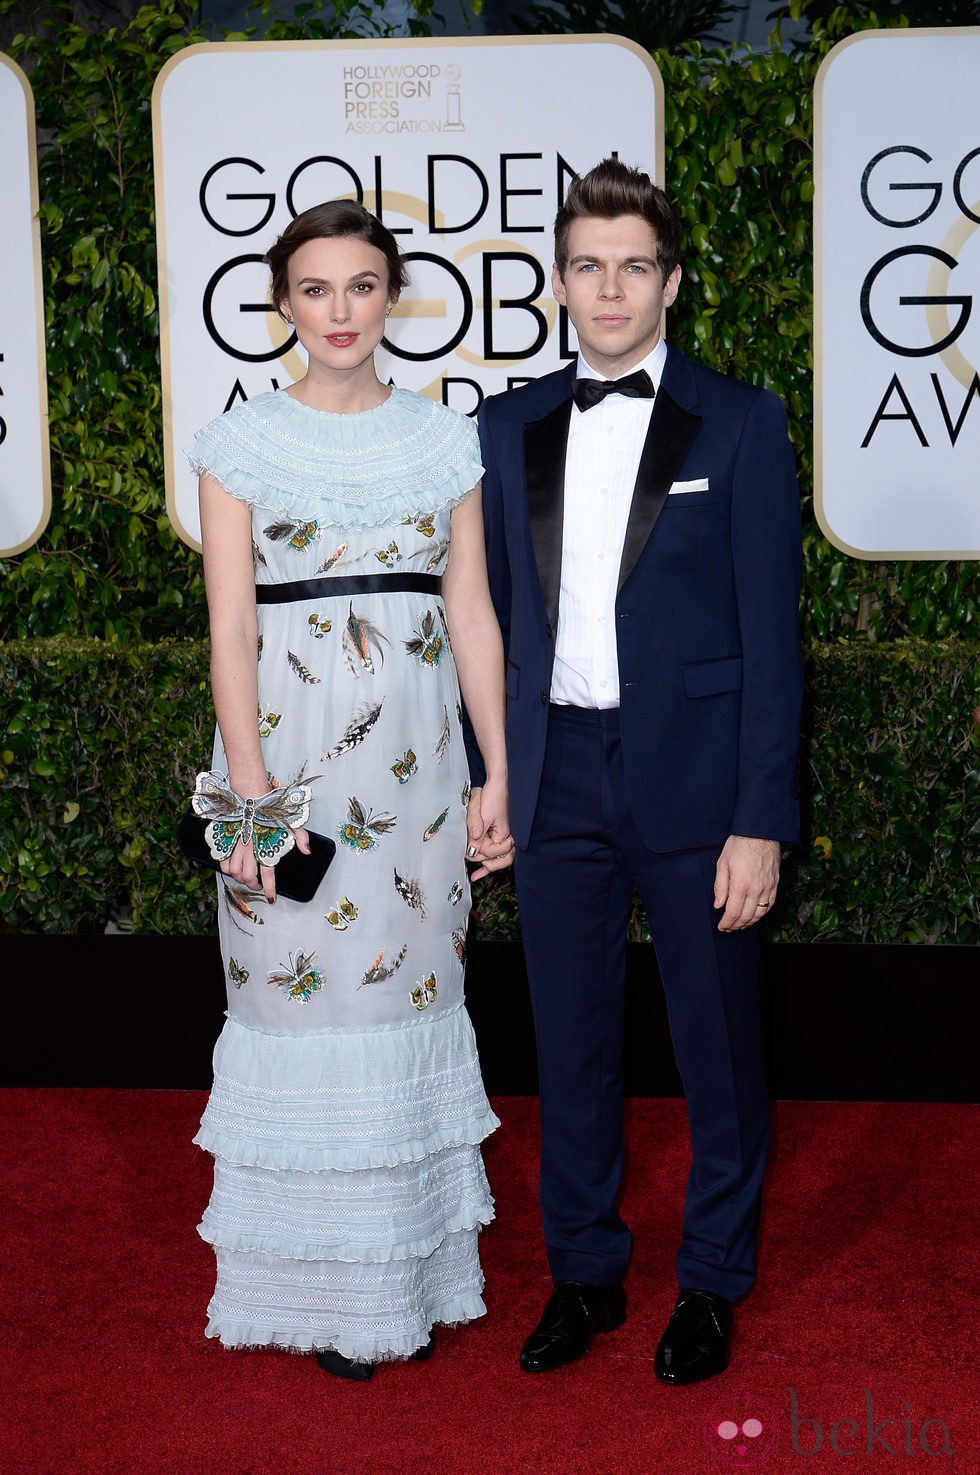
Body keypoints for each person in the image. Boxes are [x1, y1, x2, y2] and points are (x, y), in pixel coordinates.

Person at [469, 158, 803, 1385]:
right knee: (570, 1045)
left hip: (699, 788)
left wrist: (760, 818)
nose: (607, 289)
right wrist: (487, 776)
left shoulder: (741, 419)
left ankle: (710, 1279)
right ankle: (585, 1273)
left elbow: (773, 640)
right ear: (559, 281)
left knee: (715, 1048)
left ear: (669, 280)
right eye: (586, 266)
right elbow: (485, 621)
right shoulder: (502, 426)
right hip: (555, 782)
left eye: (632, 267)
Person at [185, 199, 514, 1381]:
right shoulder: (240, 445)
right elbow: (229, 628)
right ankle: (314, 1286)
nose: (339, 310)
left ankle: (404, 1278)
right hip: (288, 767)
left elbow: (468, 613)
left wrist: (497, 768)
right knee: (298, 1004)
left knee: (398, 1006)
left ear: (392, 297)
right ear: (283, 304)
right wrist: (256, 793)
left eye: (362, 285)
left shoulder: (445, 441)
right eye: (315, 289)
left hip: (419, 779)